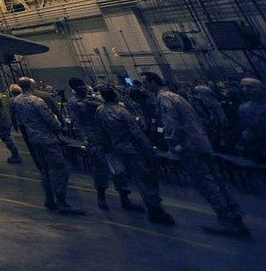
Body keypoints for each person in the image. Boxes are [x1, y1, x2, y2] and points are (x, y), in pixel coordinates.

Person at [142, 72, 251, 238]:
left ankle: (226, 221)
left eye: (146, 83)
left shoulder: (164, 99)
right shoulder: (176, 96)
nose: (144, 86)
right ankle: (235, 215)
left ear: (152, 82)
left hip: (189, 147)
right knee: (217, 180)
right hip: (201, 143)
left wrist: (172, 144)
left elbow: (171, 122)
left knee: (205, 183)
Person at [96, 84, 175, 226]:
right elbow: (137, 132)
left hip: (117, 149)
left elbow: (101, 131)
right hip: (133, 149)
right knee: (146, 179)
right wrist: (149, 150)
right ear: (115, 96)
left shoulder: (100, 110)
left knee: (127, 176)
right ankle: (154, 210)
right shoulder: (122, 112)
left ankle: (129, 200)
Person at [12, 76, 83, 215]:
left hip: (33, 139)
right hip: (48, 139)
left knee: (44, 170)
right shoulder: (37, 101)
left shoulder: (16, 101)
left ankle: (49, 199)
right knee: (59, 169)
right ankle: (62, 202)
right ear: (31, 87)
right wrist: (59, 128)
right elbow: (51, 120)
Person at [67, 77, 137, 211]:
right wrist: (84, 138)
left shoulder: (96, 98)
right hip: (93, 138)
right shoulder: (74, 103)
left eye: (83, 85)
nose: (82, 88)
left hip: (109, 136)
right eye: (79, 86)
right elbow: (77, 122)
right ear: (74, 89)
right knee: (100, 169)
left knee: (118, 168)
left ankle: (124, 197)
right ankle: (101, 197)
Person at [237, 77, 266, 161]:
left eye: (250, 87)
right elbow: (246, 126)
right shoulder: (242, 108)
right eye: (242, 87)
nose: (245, 89)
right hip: (257, 147)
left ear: (262, 89)